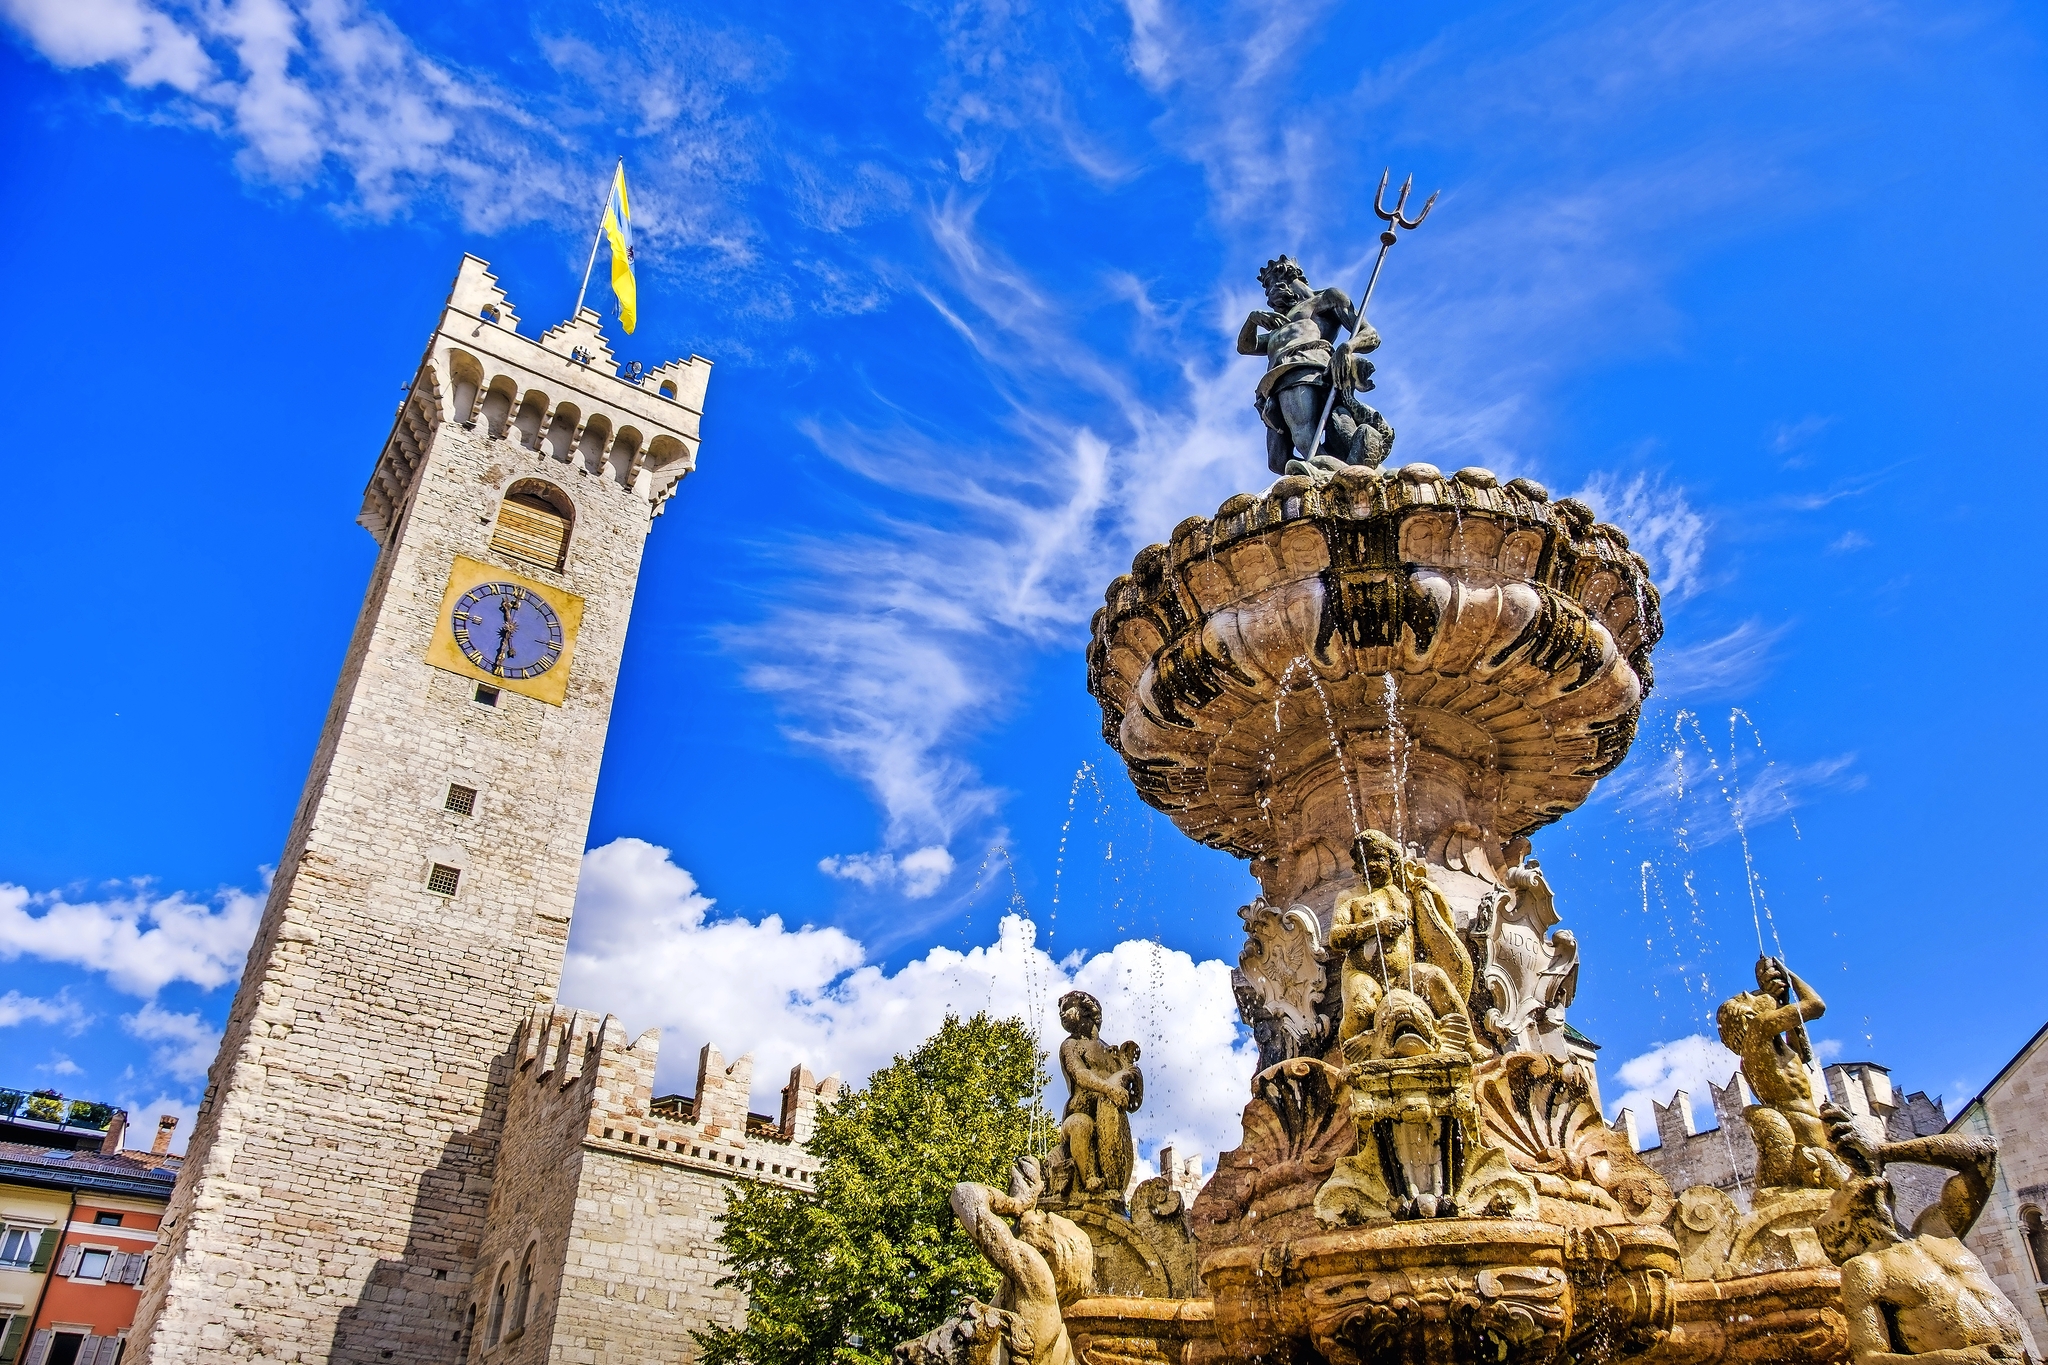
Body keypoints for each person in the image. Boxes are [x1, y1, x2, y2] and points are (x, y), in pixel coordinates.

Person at [1817, 1112, 2036, 1365]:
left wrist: (1883, 1151)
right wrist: (1956, 1360)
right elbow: (1868, 1358)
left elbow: (1983, 1153)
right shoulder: (1866, 1269)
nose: (1850, 1179)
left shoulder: (1936, 1228)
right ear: (1843, 1224)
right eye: (1839, 1192)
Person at [1327, 830, 1478, 1059]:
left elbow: (1443, 928)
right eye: (1365, 860)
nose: (1372, 865)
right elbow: (1336, 938)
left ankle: (1469, 1042)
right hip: (1363, 973)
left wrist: (1431, 894)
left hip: (1404, 974)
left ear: (1392, 860)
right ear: (1358, 867)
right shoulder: (1350, 897)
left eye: (1378, 858)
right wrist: (1376, 927)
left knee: (1434, 977)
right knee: (1362, 1007)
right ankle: (1350, 1061)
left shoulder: (1407, 895)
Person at [1236, 256, 1394, 475]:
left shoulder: (1324, 299)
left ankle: (1327, 473)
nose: (1270, 297)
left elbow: (1371, 335)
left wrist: (1347, 347)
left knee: (1306, 437)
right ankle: (1349, 468)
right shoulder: (1280, 325)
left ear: (1286, 280)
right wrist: (1252, 319)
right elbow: (1245, 346)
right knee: (1277, 460)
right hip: (1276, 381)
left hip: (1304, 367)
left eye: (1271, 286)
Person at [1716, 956, 1847, 1190]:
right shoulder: (1758, 1028)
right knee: (1842, 1193)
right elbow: (1816, 1006)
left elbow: (1802, 1053)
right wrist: (1789, 975)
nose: (1755, 993)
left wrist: (1784, 999)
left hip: (1807, 1125)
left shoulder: (1764, 1049)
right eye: (1749, 996)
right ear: (1747, 1014)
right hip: (1803, 1129)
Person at [948, 1177, 1094, 1365]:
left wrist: (1015, 1203)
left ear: (1045, 1252)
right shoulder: (1061, 1337)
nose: (1037, 1211)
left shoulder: (1037, 1275)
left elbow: (965, 1195)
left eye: (1044, 1219)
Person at [1055, 991, 1141, 1197]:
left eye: (1067, 1008)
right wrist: (1108, 1088)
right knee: (1081, 1125)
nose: (1062, 1014)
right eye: (1061, 1011)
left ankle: (1113, 1182)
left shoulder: (1109, 1051)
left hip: (1107, 1120)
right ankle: (1089, 1177)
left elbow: (1132, 1098)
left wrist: (1133, 1076)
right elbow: (1080, 1074)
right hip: (1076, 1118)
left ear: (1087, 1010)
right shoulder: (1071, 1044)